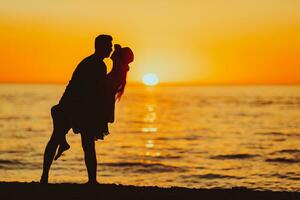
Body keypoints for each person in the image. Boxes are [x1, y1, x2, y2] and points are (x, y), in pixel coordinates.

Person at [40, 34, 113, 184]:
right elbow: (95, 90)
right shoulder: (97, 64)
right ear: (100, 46)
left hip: (70, 105)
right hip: (76, 107)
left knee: (57, 139)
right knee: (86, 143)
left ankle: (44, 177)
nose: (111, 48)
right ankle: (92, 181)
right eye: (109, 45)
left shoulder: (89, 62)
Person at [53, 44, 134, 159]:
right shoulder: (117, 71)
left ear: (119, 58)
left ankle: (64, 143)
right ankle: (63, 143)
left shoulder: (117, 73)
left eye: (116, 52)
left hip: (96, 110)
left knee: (87, 144)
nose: (112, 52)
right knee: (87, 144)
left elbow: (103, 91)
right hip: (95, 108)